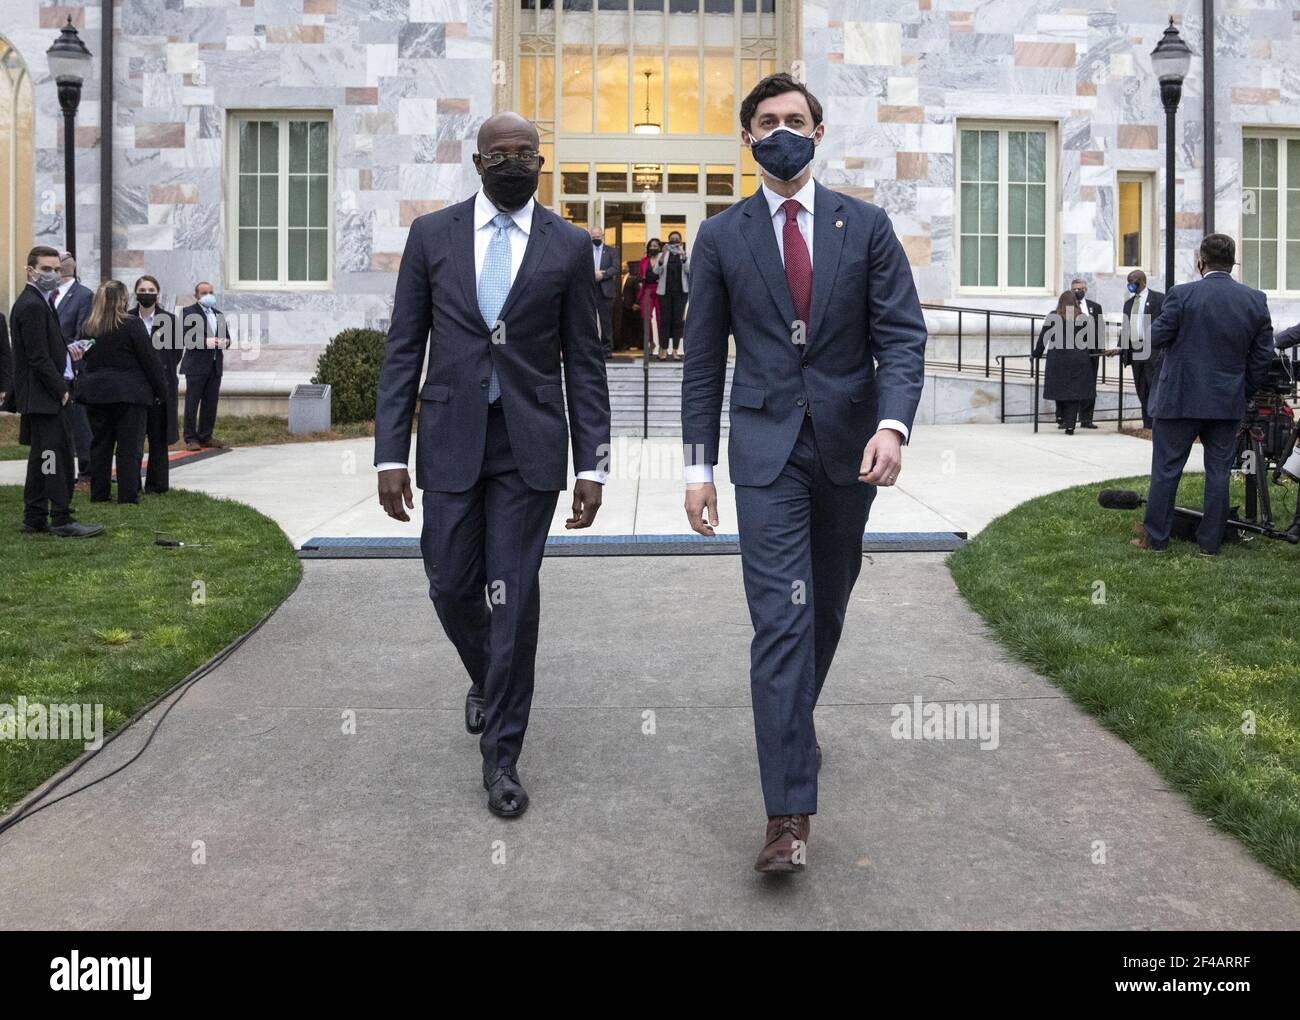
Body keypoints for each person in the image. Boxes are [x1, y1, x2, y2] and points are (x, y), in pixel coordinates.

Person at [681, 73, 926, 874]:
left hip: (851, 451)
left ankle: (797, 721)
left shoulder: (869, 226)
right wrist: (697, 469)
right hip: (764, 454)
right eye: (765, 120)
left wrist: (893, 425)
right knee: (781, 622)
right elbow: (700, 367)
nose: (781, 130)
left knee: (824, 607)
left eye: (795, 119)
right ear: (746, 139)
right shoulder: (720, 238)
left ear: (818, 134)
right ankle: (787, 815)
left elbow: (903, 336)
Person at [374, 112, 611, 819]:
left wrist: (592, 466)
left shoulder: (569, 245)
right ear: (478, 163)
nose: (514, 163)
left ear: (542, 162)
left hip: (529, 447)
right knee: (450, 583)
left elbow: (587, 365)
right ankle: (490, 679)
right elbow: (402, 346)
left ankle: (502, 756)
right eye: (500, 154)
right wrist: (391, 452)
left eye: (526, 154)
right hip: (448, 437)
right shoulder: (432, 236)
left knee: (512, 596)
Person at [1133, 234, 1275, 556]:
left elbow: (1154, 338)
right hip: (1226, 401)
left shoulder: (1182, 295)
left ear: (1201, 262)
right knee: (1219, 473)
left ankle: (1156, 539)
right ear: (1233, 262)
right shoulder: (1254, 299)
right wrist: (1244, 389)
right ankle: (1209, 544)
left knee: (1167, 470)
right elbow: (1262, 356)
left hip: (1178, 399)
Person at [9, 246, 102, 537]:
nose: (52, 274)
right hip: (45, 397)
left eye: (56, 269)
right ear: (30, 270)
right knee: (54, 457)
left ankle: (34, 516)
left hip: (43, 396)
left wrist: (66, 353)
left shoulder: (40, 300)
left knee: (41, 458)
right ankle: (61, 517)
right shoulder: (32, 305)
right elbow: (37, 357)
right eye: (46, 269)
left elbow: (47, 348)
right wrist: (61, 390)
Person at [77, 280, 168, 504]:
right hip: (130, 393)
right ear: (122, 299)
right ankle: (128, 495)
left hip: (97, 393)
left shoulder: (90, 326)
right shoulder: (131, 324)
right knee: (129, 447)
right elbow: (150, 360)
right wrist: (161, 390)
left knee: (100, 445)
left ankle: (99, 493)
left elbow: (85, 358)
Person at [130, 276, 182, 493]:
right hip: (134, 387)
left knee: (158, 438)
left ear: (157, 293)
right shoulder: (127, 319)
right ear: (136, 293)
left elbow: (177, 352)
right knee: (132, 439)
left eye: (151, 289)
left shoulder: (169, 320)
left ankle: (157, 485)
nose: (147, 292)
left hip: (161, 387)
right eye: (142, 289)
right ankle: (131, 483)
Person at [53, 253, 95, 486]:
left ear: (61, 270)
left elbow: (83, 331)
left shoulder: (83, 295)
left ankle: (87, 471)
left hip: (74, 369)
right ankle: (59, 470)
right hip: (52, 368)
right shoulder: (49, 295)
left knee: (80, 424)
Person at [1033, 290, 1097, 434]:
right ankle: (1070, 426)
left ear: (1060, 302)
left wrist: (1036, 354)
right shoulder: (1083, 317)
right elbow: (1090, 341)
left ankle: (1061, 416)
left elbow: (1043, 338)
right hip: (1078, 359)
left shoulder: (1053, 316)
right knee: (1073, 394)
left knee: (1059, 389)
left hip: (1058, 359)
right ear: (1075, 302)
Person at [179, 282, 230, 450]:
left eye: (211, 292)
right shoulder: (188, 312)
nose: (208, 295)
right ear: (196, 295)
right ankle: (190, 438)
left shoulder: (219, 315)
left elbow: (227, 339)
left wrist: (226, 342)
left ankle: (206, 436)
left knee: (210, 403)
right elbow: (185, 338)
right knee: (192, 403)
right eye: (204, 292)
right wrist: (204, 342)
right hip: (196, 366)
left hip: (215, 366)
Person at [1115, 269, 1165, 429]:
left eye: (1133, 282)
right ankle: (1147, 423)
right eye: (1128, 282)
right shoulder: (1129, 304)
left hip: (1152, 348)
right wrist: (1120, 347)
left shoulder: (1158, 298)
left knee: (1153, 384)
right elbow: (1126, 327)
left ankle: (1156, 421)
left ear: (1143, 282)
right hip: (1136, 348)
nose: (1130, 285)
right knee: (1141, 386)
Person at [1069, 277, 1105, 428]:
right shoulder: (1067, 307)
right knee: (1072, 384)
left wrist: (1101, 349)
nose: (1077, 292)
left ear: (1086, 290)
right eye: (1074, 289)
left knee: (1090, 385)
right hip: (1074, 350)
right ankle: (1067, 418)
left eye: (1080, 289)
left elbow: (1100, 328)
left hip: (1091, 351)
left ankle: (1086, 419)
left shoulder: (1095, 307)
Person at [653, 229, 689, 361]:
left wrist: (683, 255)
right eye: (672, 240)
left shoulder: (685, 254)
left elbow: (689, 269)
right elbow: (656, 271)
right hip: (665, 293)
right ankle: (663, 349)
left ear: (680, 242)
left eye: (677, 240)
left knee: (678, 322)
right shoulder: (663, 255)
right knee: (665, 321)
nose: (674, 242)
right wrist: (663, 255)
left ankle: (675, 350)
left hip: (681, 293)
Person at [590, 227, 619, 360]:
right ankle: (592, 349)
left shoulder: (612, 251)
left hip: (605, 290)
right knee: (590, 322)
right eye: (593, 237)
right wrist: (591, 275)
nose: (596, 239)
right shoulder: (586, 250)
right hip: (589, 290)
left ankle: (607, 350)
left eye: (598, 236)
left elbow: (615, 268)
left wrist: (603, 275)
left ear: (603, 236)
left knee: (606, 322)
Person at [638, 239, 663, 358]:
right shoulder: (643, 261)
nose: (653, 248)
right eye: (651, 246)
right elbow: (641, 276)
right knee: (646, 317)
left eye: (656, 246)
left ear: (659, 248)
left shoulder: (663, 259)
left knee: (660, 319)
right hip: (647, 291)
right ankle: (651, 342)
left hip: (660, 291)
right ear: (648, 248)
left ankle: (662, 347)